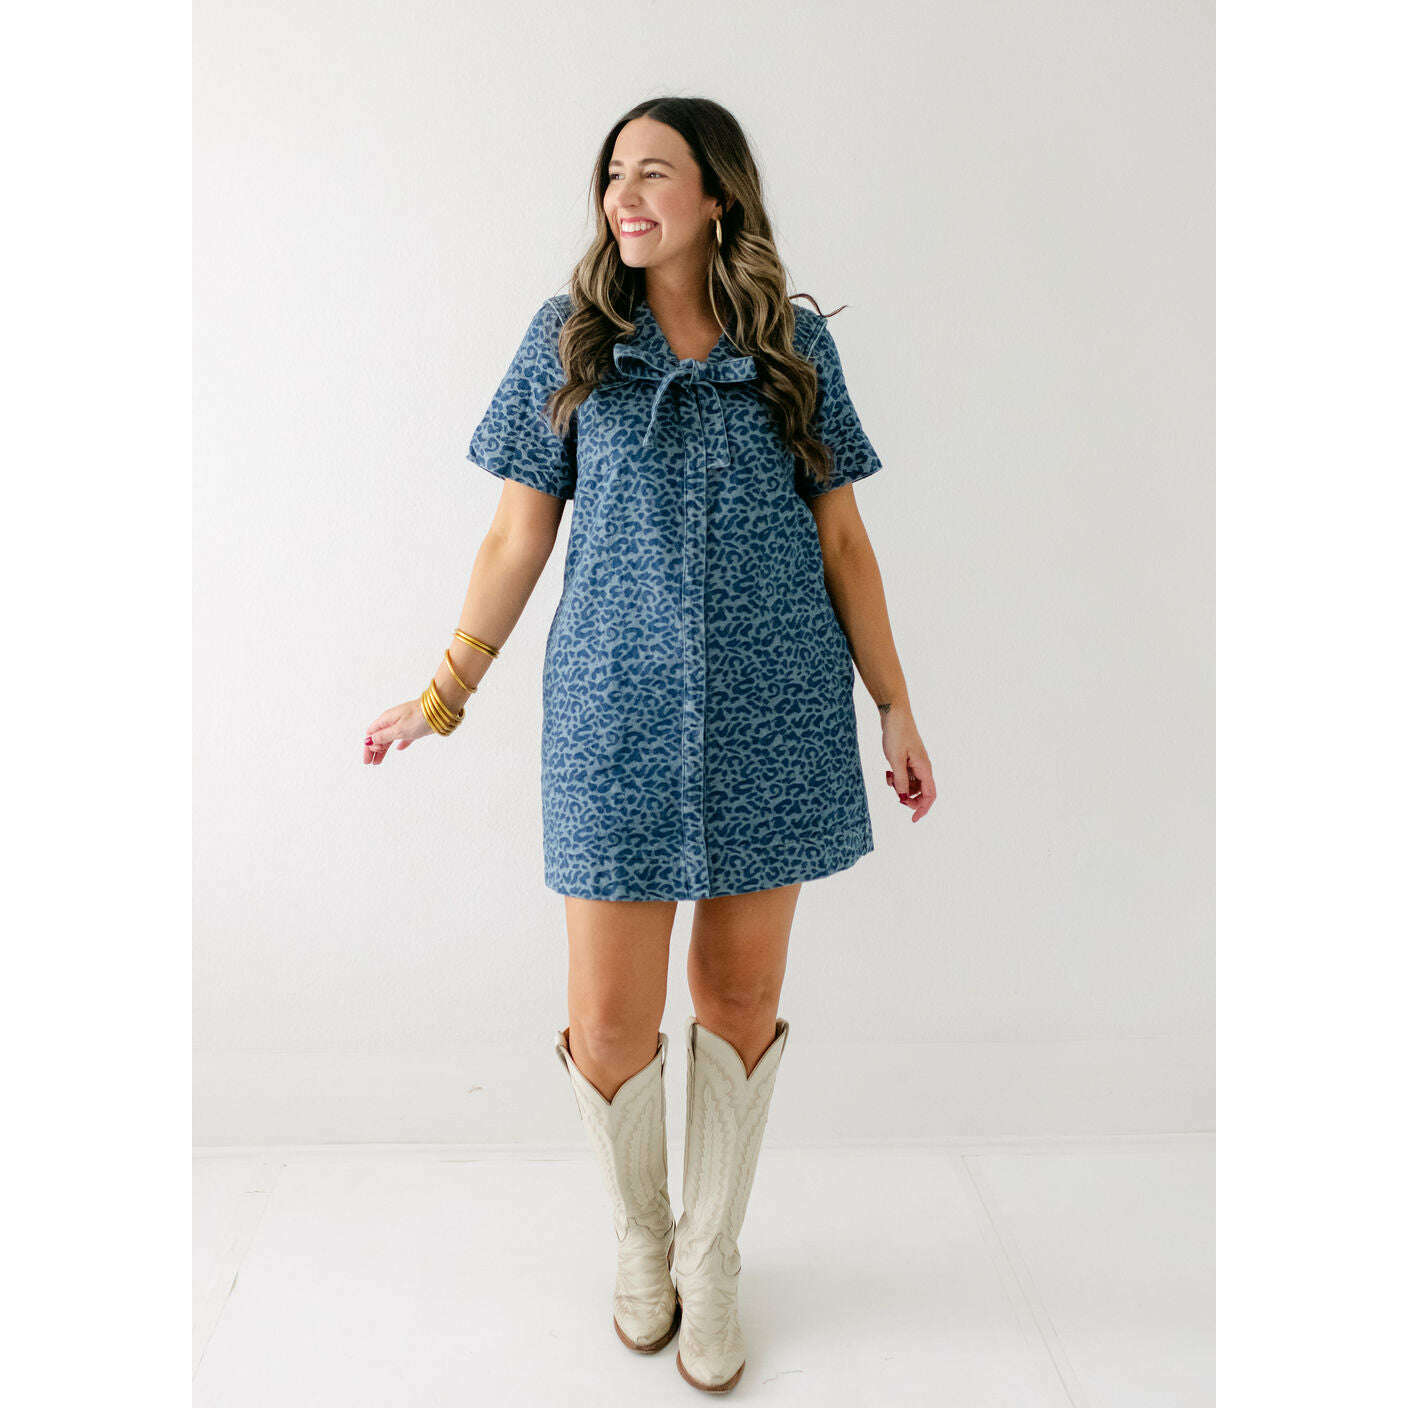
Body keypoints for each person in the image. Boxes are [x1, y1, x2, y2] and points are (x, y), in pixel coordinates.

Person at [362, 96, 936, 1394]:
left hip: (775, 711)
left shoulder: (793, 347)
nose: (625, 195)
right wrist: (443, 693)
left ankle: (713, 1257)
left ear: (717, 195)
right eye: (615, 173)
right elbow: (517, 534)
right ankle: (644, 1240)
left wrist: (894, 703)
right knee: (608, 1021)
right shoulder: (567, 337)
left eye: (656, 172)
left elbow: (844, 539)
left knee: (736, 1001)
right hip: (611, 719)